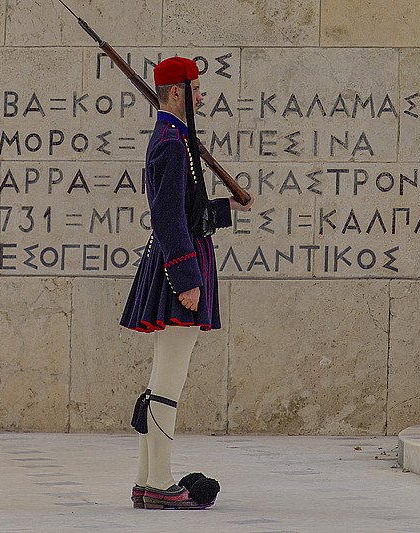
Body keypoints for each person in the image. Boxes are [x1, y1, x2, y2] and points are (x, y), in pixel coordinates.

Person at [120, 56, 253, 510]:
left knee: (163, 377)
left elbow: (189, 211)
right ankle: (159, 482)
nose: (201, 97)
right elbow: (168, 218)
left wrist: (226, 208)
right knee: (169, 380)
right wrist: (186, 280)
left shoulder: (176, 138)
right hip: (181, 267)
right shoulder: (172, 143)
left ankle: (146, 479)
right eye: (195, 90)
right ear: (177, 92)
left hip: (183, 261)